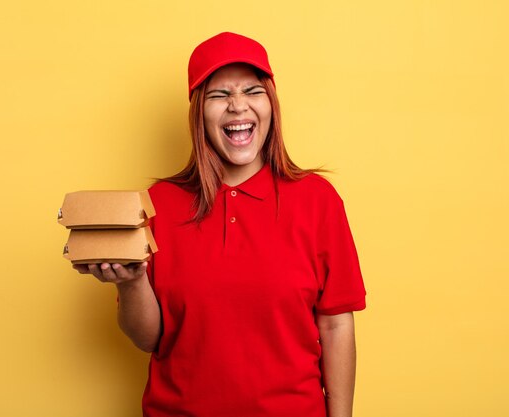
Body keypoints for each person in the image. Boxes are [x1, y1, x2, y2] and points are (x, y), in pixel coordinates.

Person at [74, 32, 367, 417]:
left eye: (252, 91)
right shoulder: (158, 204)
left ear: (271, 104)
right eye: (218, 95)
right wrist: (131, 283)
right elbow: (149, 339)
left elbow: (335, 326)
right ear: (199, 112)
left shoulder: (317, 200)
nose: (237, 106)